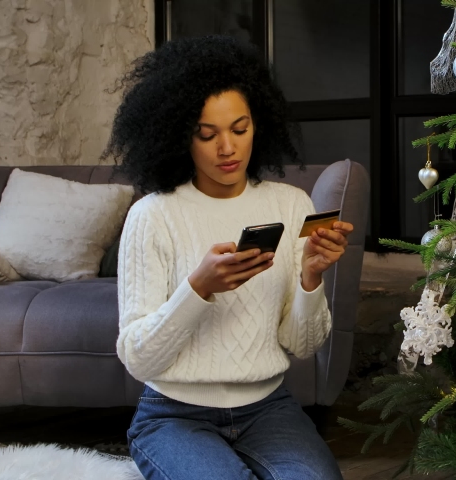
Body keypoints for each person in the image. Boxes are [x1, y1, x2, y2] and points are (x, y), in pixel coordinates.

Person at [102, 35, 351, 480]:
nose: (227, 149)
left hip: (268, 406)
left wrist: (311, 277)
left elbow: (303, 344)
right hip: (173, 414)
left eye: (240, 129)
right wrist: (198, 288)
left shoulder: (292, 205)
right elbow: (138, 359)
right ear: (180, 135)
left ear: (260, 124)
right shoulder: (152, 215)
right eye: (207, 134)